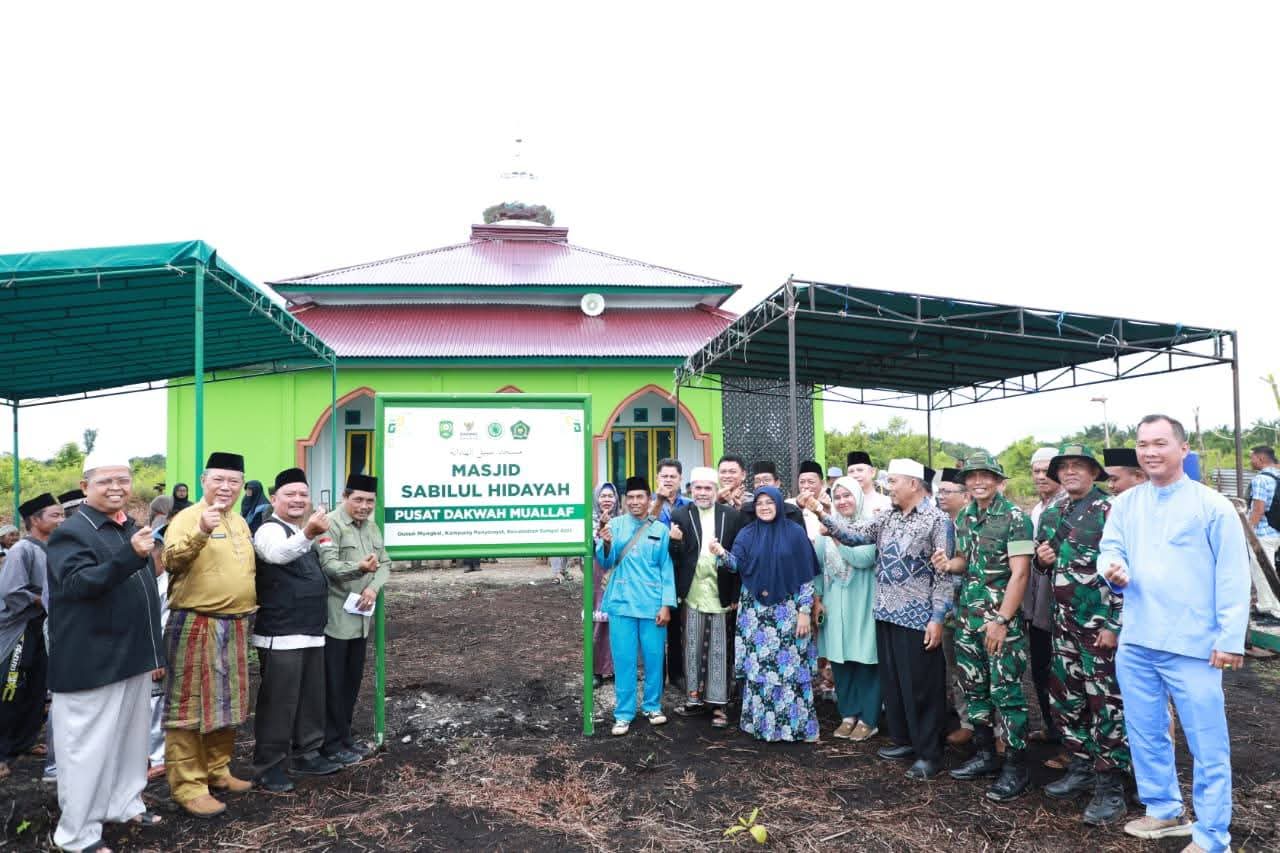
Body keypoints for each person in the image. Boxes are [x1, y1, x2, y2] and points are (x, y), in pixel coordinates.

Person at [1100, 414, 1250, 852]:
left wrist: (1230, 638)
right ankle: (1164, 809)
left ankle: (1212, 835)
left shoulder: (1211, 506)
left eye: (1160, 443)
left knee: (1207, 742)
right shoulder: (1127, 504)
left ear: (1183, 449)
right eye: (1143, 444)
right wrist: (1112, 569)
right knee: (1145, 731)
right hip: (1138, 639)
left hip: (1193, 644)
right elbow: (1110, 548)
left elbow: (1233, 575)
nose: (1150, 452)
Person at [48, 446, 165, 851]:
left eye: (123, 480)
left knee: (131, 743)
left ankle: (124, 804)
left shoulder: (126, 526)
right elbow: (78, 584)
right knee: (86, 750)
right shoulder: (72, 532)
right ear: (85, 486)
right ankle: (77, 833)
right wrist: (130, 556)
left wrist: (154, 651)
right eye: (105, 481)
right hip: (92, 660)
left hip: (131, 655)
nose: (116, 487)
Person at [805, 460, 951, 776]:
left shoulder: (937, 520)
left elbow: (944, 575)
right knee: (895, 683)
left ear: (913, 483)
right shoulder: (887, 516)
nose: (889, 487)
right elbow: (853, 535)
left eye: (894, 481)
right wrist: (820, 512)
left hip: (918, 617)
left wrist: (938, 617)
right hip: (885, 612)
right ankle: (904, 740)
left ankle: (929, 754)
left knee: (921, 687)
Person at [1035, 444, 1130, 826]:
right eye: (1064, 467)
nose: (1070, 471)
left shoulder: (1111, 510)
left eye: (1079, 466)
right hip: (1063, 627)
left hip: (1099, 629)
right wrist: (1042, 561)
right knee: (1066, 699)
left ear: (1094, 472)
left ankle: (1112, 788)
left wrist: (1114, 624)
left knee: (1106, 705)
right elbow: (1046, 565)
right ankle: (1081, 767)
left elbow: (1127, 569)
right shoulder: (1052, 513)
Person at [933, 453, 1035, 801]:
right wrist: (948, 564)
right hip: (968, 619)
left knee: (1006, 693)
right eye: (972, 476)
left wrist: (1002, 621)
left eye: (985, 476)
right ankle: (985, 753)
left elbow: (1020, 574)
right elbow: (965, 561)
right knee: (974, 688)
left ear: (998, 481)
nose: (978, 482)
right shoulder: (966, 516)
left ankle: (1016, 766)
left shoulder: (1015, 518)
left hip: (999, 621)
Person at [162, 452, 256, 819]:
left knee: (227, 703)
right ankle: (189, 786)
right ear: (203, 481)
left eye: (234, 481)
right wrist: (201, 530)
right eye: (219, 479)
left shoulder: (240, 521)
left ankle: (218, 770)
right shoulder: (187, 517)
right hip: (195, 623)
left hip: (235, 624)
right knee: (189, 706)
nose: (226, 487)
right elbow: (170, 561)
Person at [252, 468, 341, 792]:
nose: (298, 500)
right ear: (274, 498)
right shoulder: (269, 530)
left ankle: (308, 753)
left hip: (311, 630)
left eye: (303, 494)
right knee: (279, 703)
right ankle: (269, 766)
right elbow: (277, 555)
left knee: (310, 698)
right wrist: (309, 533)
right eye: (290, 494)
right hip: (281, 632)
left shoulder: (300, 530)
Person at [712, 485, 820, 742]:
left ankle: (795, 728)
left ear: (779, 504)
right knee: (759, 669)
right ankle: (762, 726)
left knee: (789, 668)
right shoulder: (747, 533)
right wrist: (721, 553)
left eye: (769, 502)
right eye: (759, 503)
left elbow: (806, 575)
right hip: (755, 614)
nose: (764, 507)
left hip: (788, 611)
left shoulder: (795, 533)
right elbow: (736, 565)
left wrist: (805, 611)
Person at [318, 473, 391, 764]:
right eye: (358, 499)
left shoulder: (371, 526)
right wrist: (360, 569)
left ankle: (344, 736)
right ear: (345, 497)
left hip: (360, 619)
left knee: (351, 682)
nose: (364, 506)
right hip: (335, 619)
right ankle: (329, 743)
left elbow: (385, 563)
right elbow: (330, 566)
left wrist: (373, 588)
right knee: (332, 684)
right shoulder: (330, 524)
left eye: (369, 501)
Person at [596, 476, 675, 736]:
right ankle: (623, 713)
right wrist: (607, 542)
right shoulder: (615, 525)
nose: (635, 502)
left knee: (654, 658)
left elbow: (666, 568)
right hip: (621, 602)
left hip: (652, 604)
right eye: (630, 497)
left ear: (649, 499)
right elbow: (605, 561)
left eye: (640, 497)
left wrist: (666, 605)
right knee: (624, 660)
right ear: (624, 500)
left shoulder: (660, 530)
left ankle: (652, 706)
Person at [669, 467, 745, 729]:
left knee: (719, 649)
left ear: (715, 490)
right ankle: (694, 700)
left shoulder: (731, 516)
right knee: (691, 645)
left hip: (720, 590)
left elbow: (738, 557)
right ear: (691, 489)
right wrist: (674, 542)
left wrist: (735, 594)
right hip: (692, 591)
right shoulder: (680, 514)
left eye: (707, 488)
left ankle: (719, 704)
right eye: (698, 488)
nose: (702, 493)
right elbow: (675, 558)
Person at [813, 476, 881, 744]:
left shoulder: (871, 525)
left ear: (858, 497)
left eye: (847, 495)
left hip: (863, 601)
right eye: (837, 497)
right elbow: (818, 567)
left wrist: (836, 535)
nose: (842, 501)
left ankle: (869, 719)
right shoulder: (825, 530)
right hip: (834, 602)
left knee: (865, 660)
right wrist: (818, 599)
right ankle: (848, 714)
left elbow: (863, 559)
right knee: (841, 661)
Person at [0, 493, 63, 781]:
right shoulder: (21, 550)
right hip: (20, 627)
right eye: (55, 515)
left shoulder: (54, 548)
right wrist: (43, 599)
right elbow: (12, 592)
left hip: (42, 627)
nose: (61, 520)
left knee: (37, 687)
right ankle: (2, 753)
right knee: (10, 688)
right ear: (35, 520)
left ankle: (23, 741)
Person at [1025, 447, 1065, 750]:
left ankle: (1067, 740)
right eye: (1036, 471)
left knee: (1062, 672)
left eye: (1046, 470)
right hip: (1038, 601)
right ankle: (1051, 728)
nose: (1041, 476)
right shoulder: (1037, 510)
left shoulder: (1069, 506)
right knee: (1040, 666)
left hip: (1064, 603)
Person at [935, 469, 973, 747]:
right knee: (956, 667)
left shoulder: (974, 523)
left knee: (985, 669)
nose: (942, 496)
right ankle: (966, 722)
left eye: (948, 491)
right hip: (948, 610)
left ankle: (998, 731)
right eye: (940, 491)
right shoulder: (940, 524)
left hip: (975, 607)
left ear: (965, 496)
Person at [652, 458, 692, 687]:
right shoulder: (647, 503)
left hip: (679, 568)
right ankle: (657, 674)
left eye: (672, 476)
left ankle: (676, 674)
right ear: (657, 478)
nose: (668, 480)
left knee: (676, 623)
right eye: (664, 476)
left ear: (680, 479)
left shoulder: (689, 505)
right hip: (653, 570)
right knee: (655, 622)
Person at [145, 494, 174, 781]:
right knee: (152, 705)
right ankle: (153, 755)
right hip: (148, 655)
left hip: (160, 652)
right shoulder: (144, 583)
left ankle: (158, 756)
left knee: (158, 704)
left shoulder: (167, 581)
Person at [590, 482, 619, 688]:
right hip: (596, 577)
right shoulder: (588, 522)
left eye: (610, 496)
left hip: (618, 575)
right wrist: (600, 528)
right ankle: (597, 670)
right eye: (603, 496)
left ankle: (618, 669)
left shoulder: (623, 520)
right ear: (596, 499)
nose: (607, 499)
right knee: (598, 621)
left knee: (619, 621)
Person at [1245, 445, 1280, 619]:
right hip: (1276, 530)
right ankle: (1269, 605)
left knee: (1262, 571)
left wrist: (1248, 531)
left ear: (1261, 458)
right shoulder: (1278, 475)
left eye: (1252, 457)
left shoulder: (1261, 479)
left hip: (1262, 534)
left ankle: (1270, 609)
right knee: (1271, 569)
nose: (1250, 461)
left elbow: (1258, 510)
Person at [846, 451, 891, 516]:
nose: (855, 475)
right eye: (851, 471)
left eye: (860, 470)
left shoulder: (887, 503)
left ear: (872, 472)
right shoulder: (842, 503)